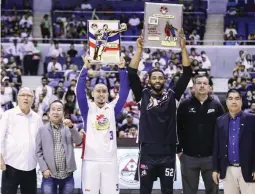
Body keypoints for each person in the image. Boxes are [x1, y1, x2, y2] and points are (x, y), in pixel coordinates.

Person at [128, 29, 192, 194]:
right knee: (145, 190)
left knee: (167, 190)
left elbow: (187, 74)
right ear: (148, 80)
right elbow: (131, 73)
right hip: (147, 152)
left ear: (165, 80)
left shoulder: (173, 96)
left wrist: (183, 48)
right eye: (154, 78)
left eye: (160, 78)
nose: (157, 80)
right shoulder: (142, 95)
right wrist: (139, 50)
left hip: (168, 152)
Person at [76, 56, 130, 194]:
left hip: (110, 161)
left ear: (108, 94)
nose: (101, 94)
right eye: (98, 91)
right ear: (92, 93)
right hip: (90, 160)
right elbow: (80, 93)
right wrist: (85, 68)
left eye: (104, 91)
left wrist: (122, 69)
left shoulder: (113, 108)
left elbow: (124, 92)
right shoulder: (87, 109)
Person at [177, 75, 224, 194]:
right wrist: (179, 150)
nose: (202, 85)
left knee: (212, 190)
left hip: (211, 157)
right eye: (199, 83)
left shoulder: (217, 105)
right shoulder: (184, 104)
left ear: (209, 87)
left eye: (204, 83)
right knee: (189, 191)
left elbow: (222, 130)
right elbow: (178, 128)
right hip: (188, 156)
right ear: (194, 86)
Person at [0, 87, 43, 194]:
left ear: (33, 99)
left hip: (30, 167)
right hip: (10, 166)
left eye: (29, 96)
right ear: (18, 98)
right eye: (23, 95)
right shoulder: (8, 115)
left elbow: (41, 141)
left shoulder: (37, 118)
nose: (26, 98)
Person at [212, 89, 255, 194]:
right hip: (228, 170)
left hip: (248, 170)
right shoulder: (220, 121)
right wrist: (215, 169)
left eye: (237, 98)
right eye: (230, 99)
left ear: (241, 101)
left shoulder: (252, 119)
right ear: (226, 101)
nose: (234, 101)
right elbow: (216, 146)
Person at [36, 100, 82, 194]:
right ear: (49, 113)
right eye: (53, 109)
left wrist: (71, 127)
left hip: (67, 175)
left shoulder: (69, 127)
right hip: (49, 175)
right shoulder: (42, 130)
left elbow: (78, 141)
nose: (56, 112)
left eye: (59, 109)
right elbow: (38, 152)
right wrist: (44, 169)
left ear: (63, 113)